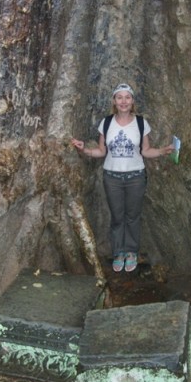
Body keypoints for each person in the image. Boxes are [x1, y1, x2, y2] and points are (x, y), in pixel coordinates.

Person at [71, 83, 174, 273]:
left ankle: (132, 251)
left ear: (132, 101)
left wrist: (162, 151)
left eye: (127, 97)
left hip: (136, 177)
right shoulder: (106, 123)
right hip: (112, 178)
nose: (124, 101)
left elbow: (146, 151)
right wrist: (84, 150)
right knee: (117, 217)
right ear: (114, 101)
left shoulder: (141, 123)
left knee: (133, 216)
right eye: (120, 97)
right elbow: (101, 151)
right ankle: (119, 252)